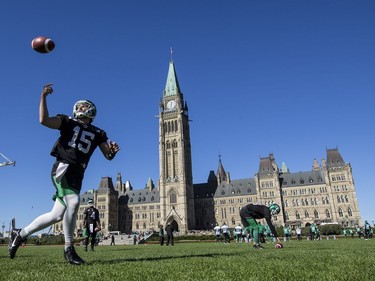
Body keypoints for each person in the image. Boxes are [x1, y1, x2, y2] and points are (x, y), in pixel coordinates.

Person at [8, 84, 120, 265]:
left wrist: (113, 151)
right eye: (80, 106)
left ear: (91, 111)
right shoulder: (68, 122)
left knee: (56, 215)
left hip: (77, 174)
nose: (80, 108)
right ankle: (69, 248)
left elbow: (108, 155)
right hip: (63, 167)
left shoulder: (99, 133)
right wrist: (43, 96)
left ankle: (19, 234)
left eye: (84, 106)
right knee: (74, 202)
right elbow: (43, 120)